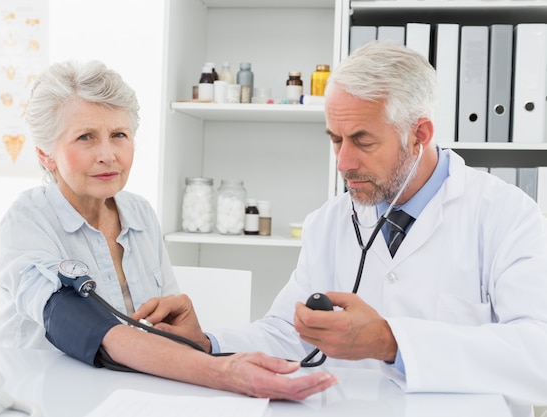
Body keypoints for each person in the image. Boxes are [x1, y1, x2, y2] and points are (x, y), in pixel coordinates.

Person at [133, 41, 547, 416]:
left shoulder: (506, 216)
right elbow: (288, 333)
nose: (343, 162)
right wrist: (207, 345)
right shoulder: (329, 222)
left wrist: (391, 341)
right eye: (335, 140)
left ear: (418, 135)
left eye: (363, 142)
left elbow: (538, 355)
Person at [0, 60, 336, 400]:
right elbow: (74, 321)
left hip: (128, 396)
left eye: (119, 135)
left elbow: (165, 334)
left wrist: (196, 341)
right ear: (45, 154)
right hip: (40, 400)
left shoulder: (139, 214)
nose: (108, 155)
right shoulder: (26, 222)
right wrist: (220, 372)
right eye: (86, 137)